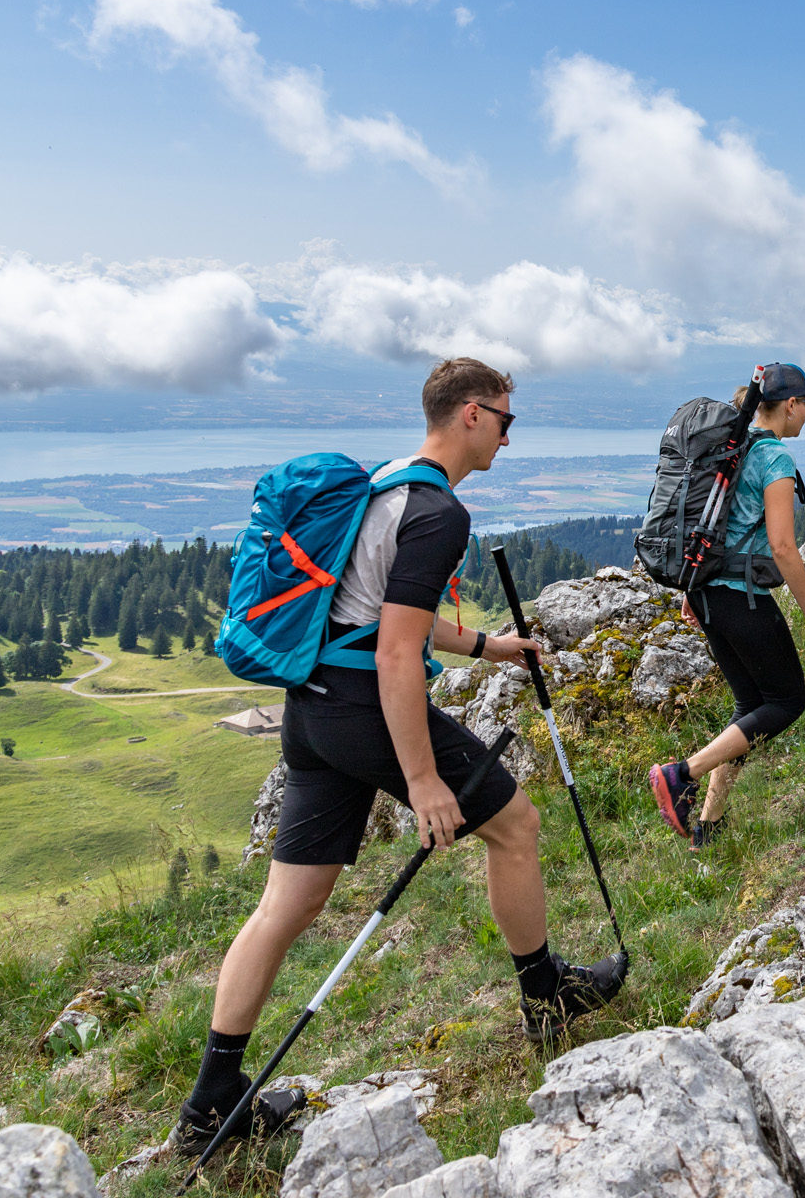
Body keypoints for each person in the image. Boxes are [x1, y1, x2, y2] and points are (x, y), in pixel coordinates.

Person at [173, 358, 623, 1155]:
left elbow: (377, 615)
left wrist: (488, 646)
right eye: (507, 421)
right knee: (515, 824)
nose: (510, 439)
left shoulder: (385, 485)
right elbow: (392, 652)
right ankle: (546, 997)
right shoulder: (438, 511)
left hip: (309, 715)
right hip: (363, 708)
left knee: (289, 904)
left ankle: (212, 1103)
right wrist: (422, 782)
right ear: (471, 415)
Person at [647, 363, 805, 852]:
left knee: (751, 707)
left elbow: (710, 526)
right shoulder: (773, 458)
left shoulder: (732, 450)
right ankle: (679, 774)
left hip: (708, 593)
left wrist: (692, 590)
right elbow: (783, 546)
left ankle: (707, 827)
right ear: (789, 404)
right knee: (787, 702)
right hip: (741, 597)